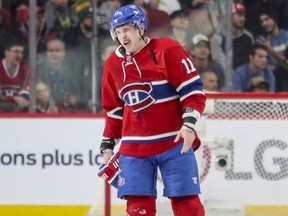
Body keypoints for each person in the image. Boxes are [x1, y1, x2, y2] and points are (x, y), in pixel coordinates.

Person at [99, 4, 206, 216]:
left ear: (140, 27)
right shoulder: (112, 64)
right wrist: (108, 144)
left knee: (187, 204)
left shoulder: (168, 49)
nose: (123, 36)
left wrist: (189, 126)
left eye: (127, 29)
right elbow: (114, 110)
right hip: (134, 147)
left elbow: (192, 91)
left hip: (174, 142)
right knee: (138, 206)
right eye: (118, 32)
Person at [210, 2, 254, 71]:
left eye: (244, 15)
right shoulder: (217, 38)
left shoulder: (248, 37)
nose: (243, 18)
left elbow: (252, 61)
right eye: (239, 15)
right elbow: (220, 63)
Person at [0, 40, 29, 112]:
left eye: (21, 52)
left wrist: (22, 98)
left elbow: (25, 89)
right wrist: (13, 98)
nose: (19, 55)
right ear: (6, 52)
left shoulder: (25, 68)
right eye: (16, 52)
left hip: (18, 107)